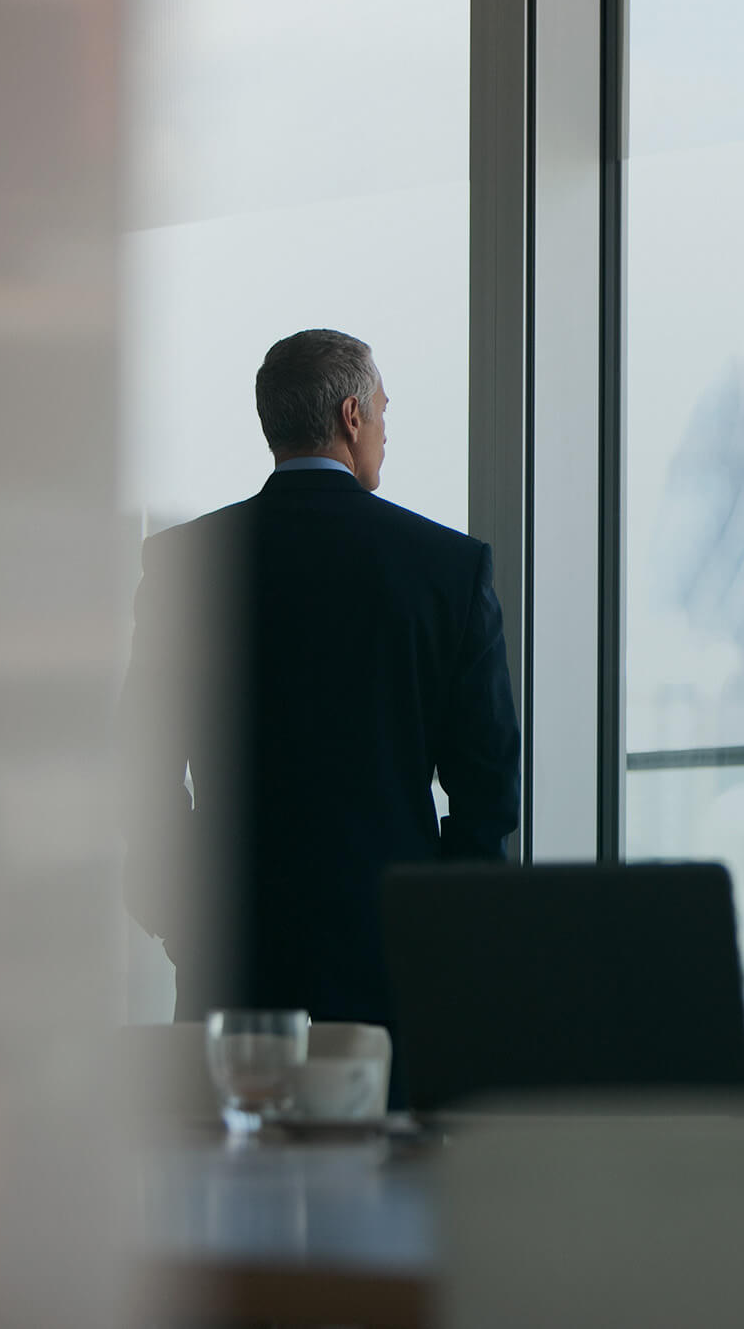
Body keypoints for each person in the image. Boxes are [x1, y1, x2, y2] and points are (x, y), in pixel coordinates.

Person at [120, 329, 520, 1030]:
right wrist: (435, 924)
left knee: (229, 1136)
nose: (386, 433)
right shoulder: (447, 571)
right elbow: (487, 791)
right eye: (383, 411)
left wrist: (181, 915)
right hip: (387, 961)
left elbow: (140, 767)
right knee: (384, 1137)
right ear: (351, 416)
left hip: (230, 951)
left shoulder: (185, 564)